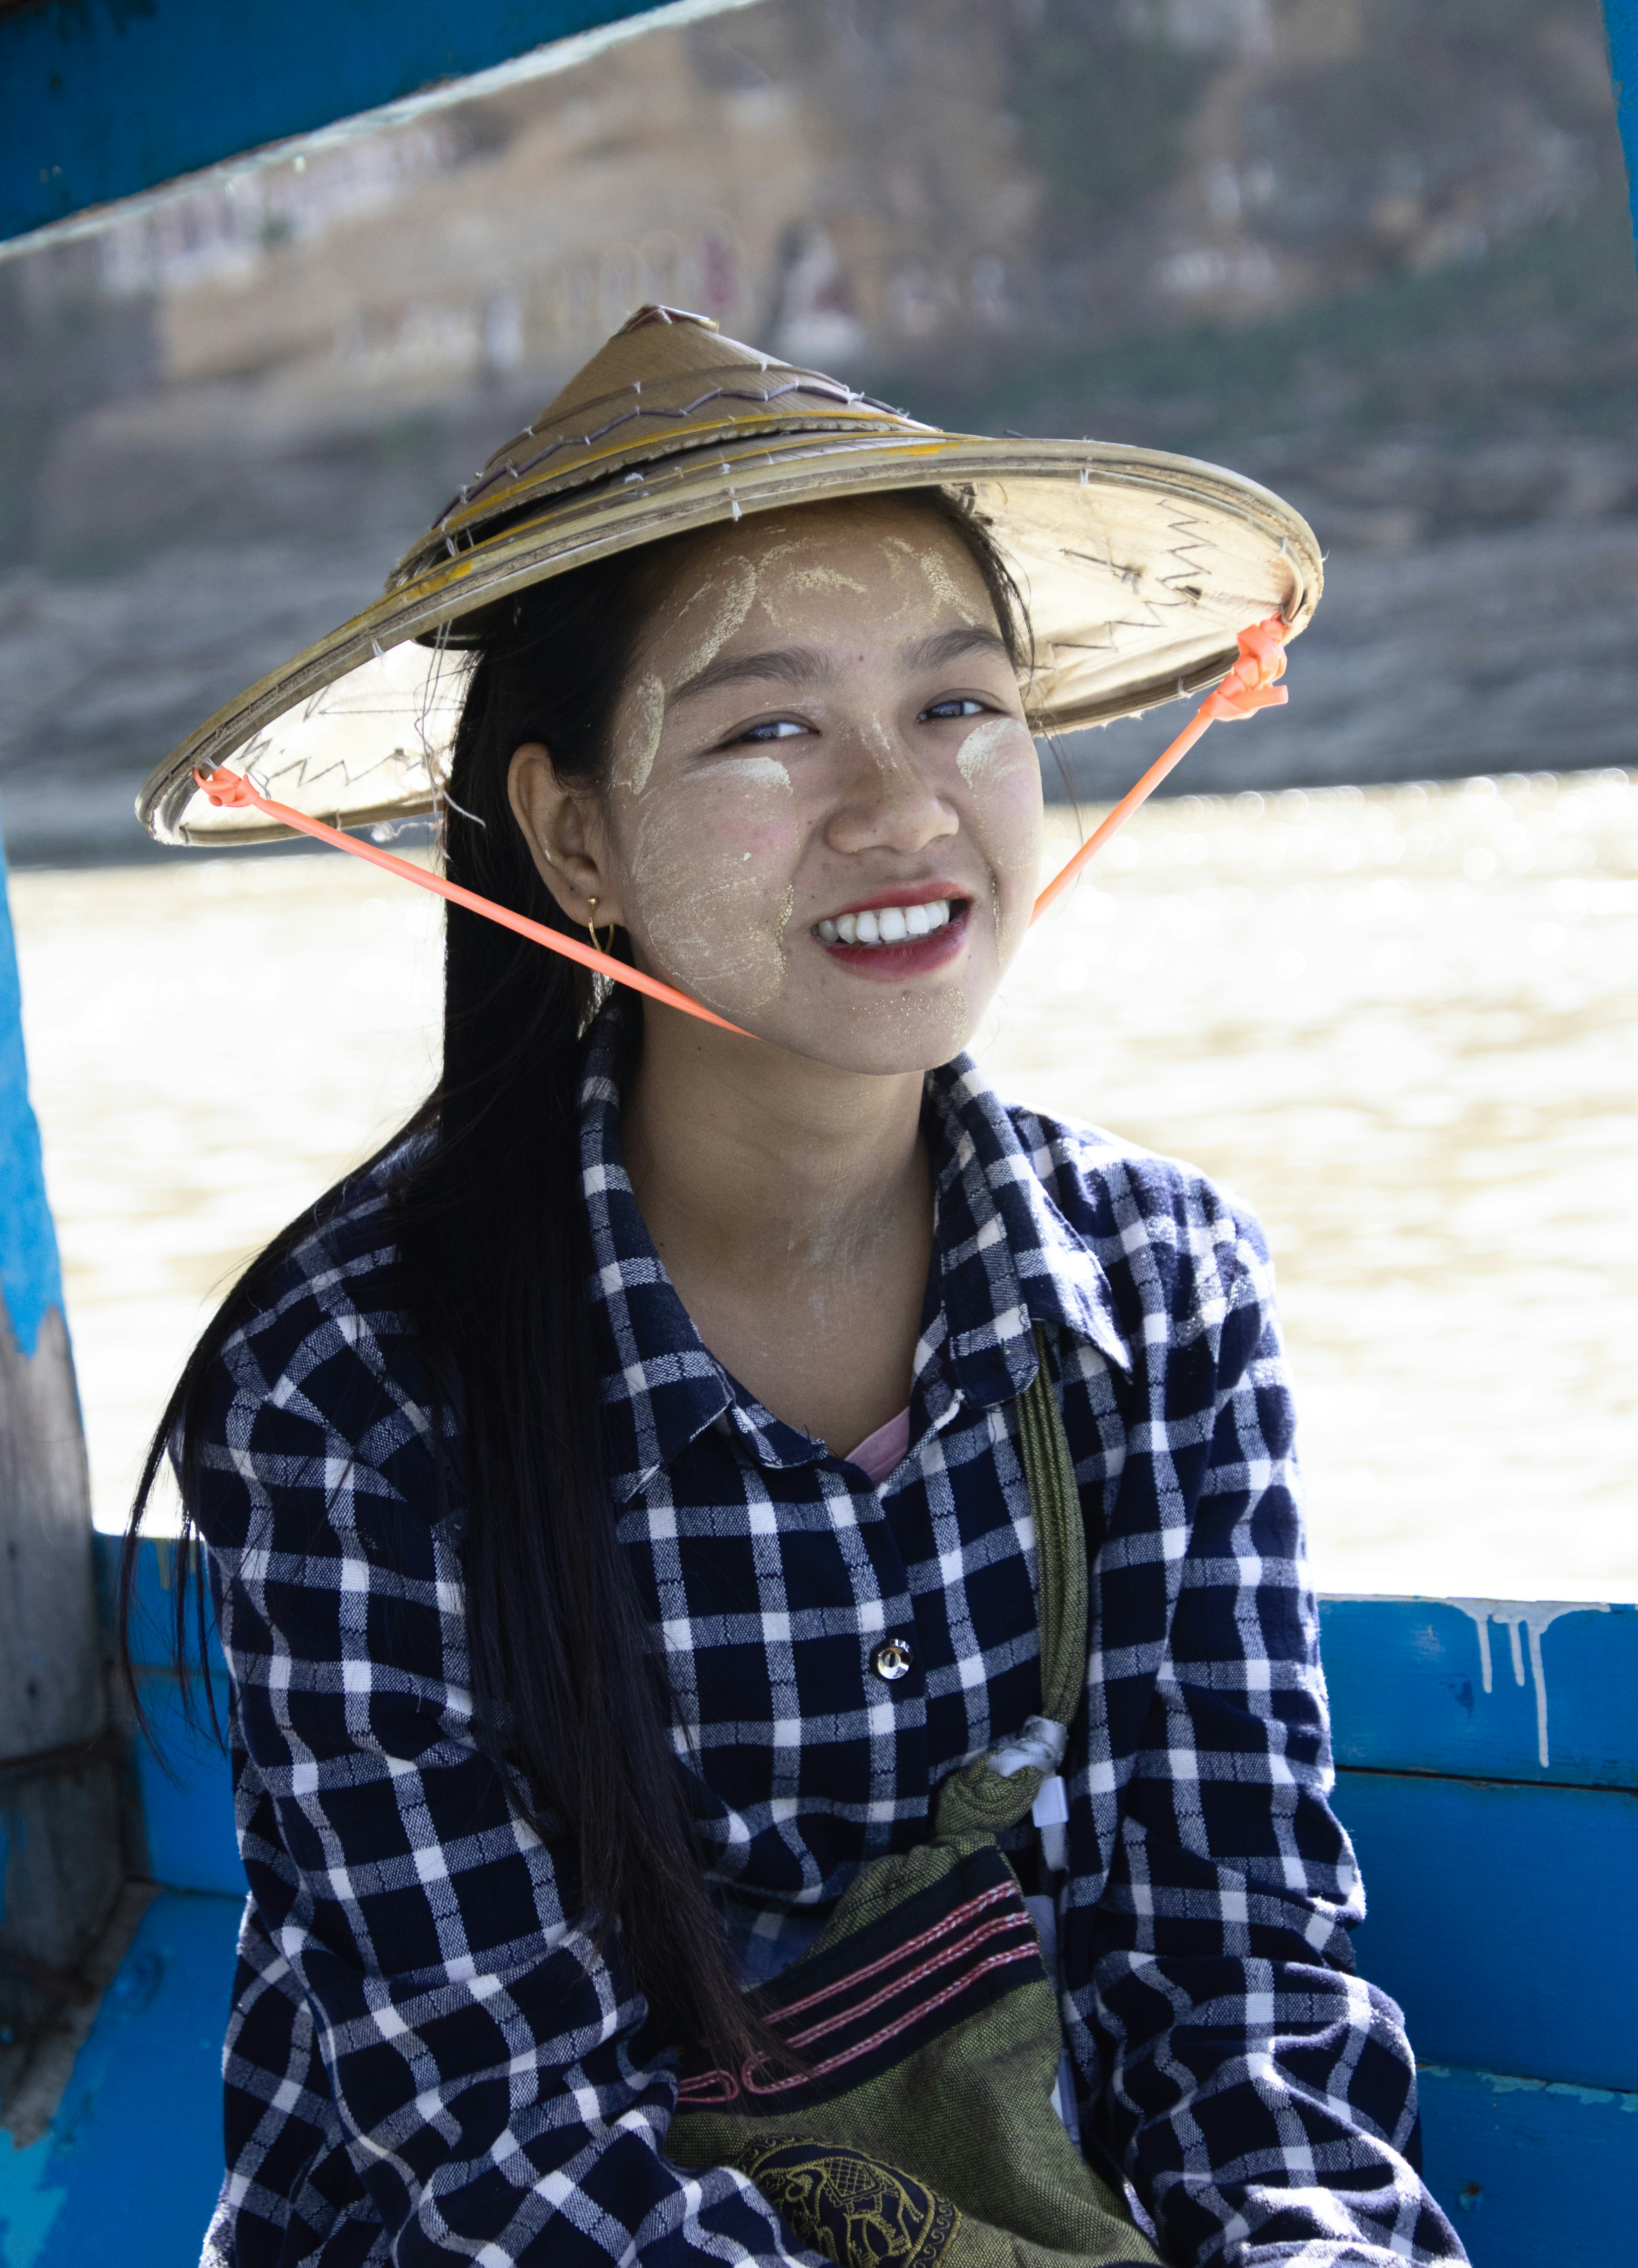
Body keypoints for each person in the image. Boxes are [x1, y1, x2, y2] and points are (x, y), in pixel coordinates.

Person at [128, 307, 1464, 2267]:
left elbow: (1237, 1971)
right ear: (575, 836)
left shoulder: (1167, 1293)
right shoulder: (351, 1384)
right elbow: (502, 2139)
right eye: (771, 728)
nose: (903, 808)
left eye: (959, 704)